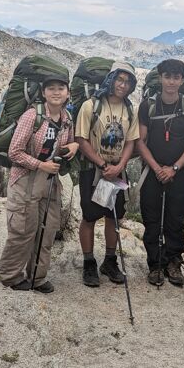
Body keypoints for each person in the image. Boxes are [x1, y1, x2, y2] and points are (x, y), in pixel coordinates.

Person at [0, 73, 79, 293]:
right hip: (25, 178)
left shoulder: (66, 119)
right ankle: (11, 275)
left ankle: (37, 276)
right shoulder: (31, 117)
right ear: (43, 93)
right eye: (51, 88)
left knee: (48, 227)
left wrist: (74, 146)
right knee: (23, 228)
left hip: (50, 181)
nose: (56, 92)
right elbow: (14, 152)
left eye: (60, 88)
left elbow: (67, 143)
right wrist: (40, 165)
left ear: (67, 93)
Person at [136, 59, 184, 287]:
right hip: (152, 172)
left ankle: (173, 260)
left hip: (178, 172)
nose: (171, 81)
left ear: (181, 80)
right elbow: (141, 141)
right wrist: (157, 168)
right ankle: (155, 264)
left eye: (176, 77)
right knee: (152, 219)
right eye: (168, 76)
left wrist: (174, 168)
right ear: (160, 78)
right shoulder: (147, 106)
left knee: (176, 218)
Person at [75, 61, 140, 287]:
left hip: (116, 171)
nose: (123, 85)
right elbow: (81, 140)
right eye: (120, 80)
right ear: (111, 79)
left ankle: (110, 261)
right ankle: (89, 262)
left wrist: (119, 166)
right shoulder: (91, 106)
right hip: (94, 170)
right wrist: (103, 165)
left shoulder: (130, 110)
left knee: (114, 216)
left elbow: (131, 141)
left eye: (128, 81)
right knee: (90, 216)